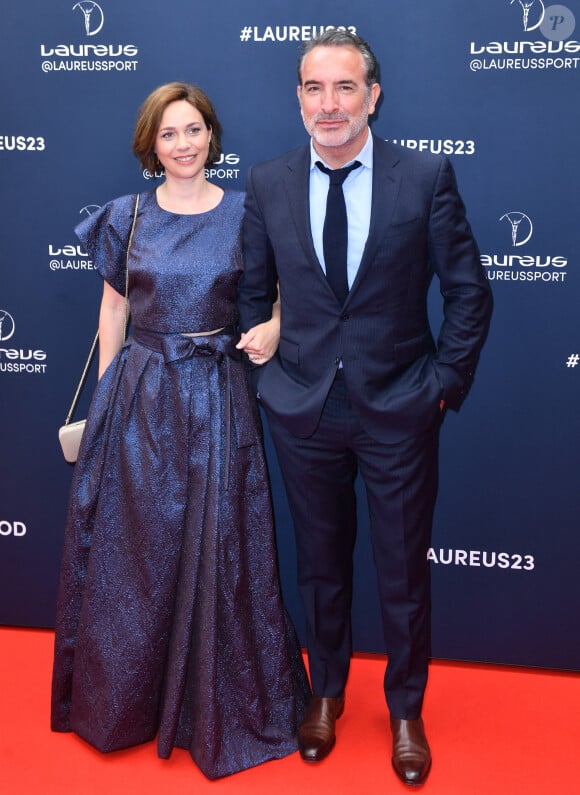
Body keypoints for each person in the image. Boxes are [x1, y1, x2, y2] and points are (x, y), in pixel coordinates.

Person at [237, 30, 493, 787]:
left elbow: (469, 290)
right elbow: (255, 291)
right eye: (314, 88)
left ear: (373, 96)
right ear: (299, 98)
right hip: (303, 409)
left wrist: (442, 382)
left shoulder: (424, 177)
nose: (330, 104)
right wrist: (269, 379)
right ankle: (325, 692)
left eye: (345, 87)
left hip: (400, 406)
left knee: (401, 570)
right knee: (319, 565)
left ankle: (406, 707)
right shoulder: (270, 181)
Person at [51, 82, 310, 780]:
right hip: (141, 395)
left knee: (222, 546)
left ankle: (212, 709)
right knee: (135, 555)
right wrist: (109, 392)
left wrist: (275, 327)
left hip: (217, 394)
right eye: (169, 134)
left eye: (194, 129)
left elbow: (286, 291)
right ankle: (123, 704)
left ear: (212, 135)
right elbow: (113, 311)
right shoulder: (125, 216)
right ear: (151, 145)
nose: (184, 144)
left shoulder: (246, 213)